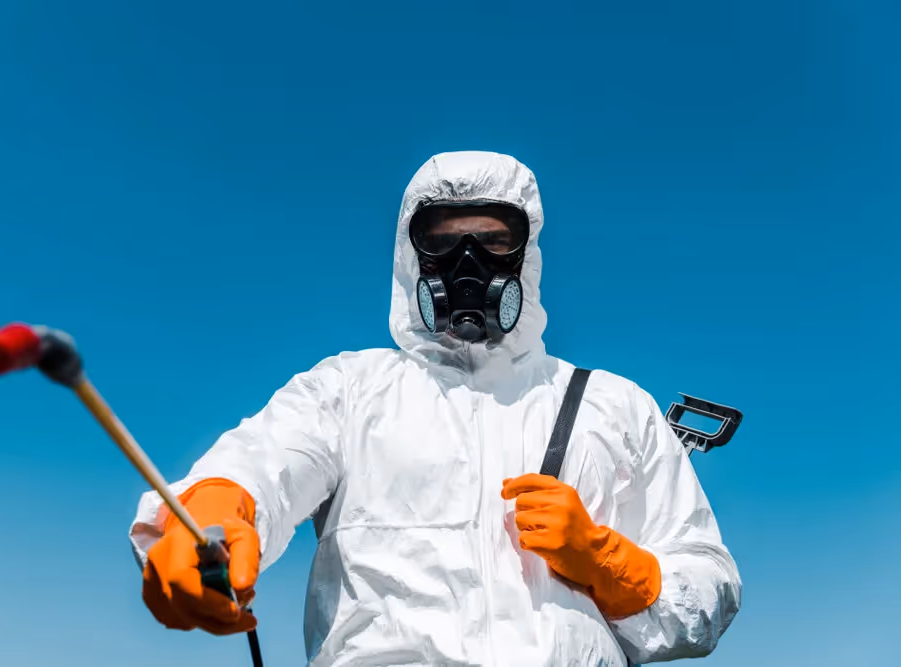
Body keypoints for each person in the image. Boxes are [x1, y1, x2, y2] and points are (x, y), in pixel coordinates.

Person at [129, 151, 742, 666]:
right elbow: (262, 463)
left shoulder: (612, 406)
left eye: (494, 241)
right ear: (411, 254)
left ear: (525, 254)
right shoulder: (350, 389)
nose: (467, 264)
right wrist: (210, 517)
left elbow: (709, 585)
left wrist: (610, 562)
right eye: (444, 241)